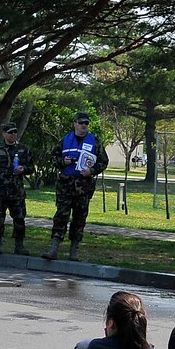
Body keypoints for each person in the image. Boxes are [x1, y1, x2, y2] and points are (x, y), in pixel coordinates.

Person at [44, 111, 110, 261]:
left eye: (86, 123)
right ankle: (54, 248)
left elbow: (103, 161)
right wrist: (63, 162)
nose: (83, 126)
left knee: (79, 219)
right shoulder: (65, 140)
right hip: (65, 186)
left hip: (83, 187)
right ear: (75, 123)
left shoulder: (94, 141)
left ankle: (74, 250)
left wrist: (91, 171)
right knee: (61, 216)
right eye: (81, 123)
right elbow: (53, 158)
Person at [0, 122, 29, 255]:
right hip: (0, 192)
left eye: (15, 132)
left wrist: (23, 169)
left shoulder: (23, 149)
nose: (13, 134)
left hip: (17, 192)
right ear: (4, 134)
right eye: (10, 132)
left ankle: (19, 245)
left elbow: (31, 167)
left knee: (19, 219)